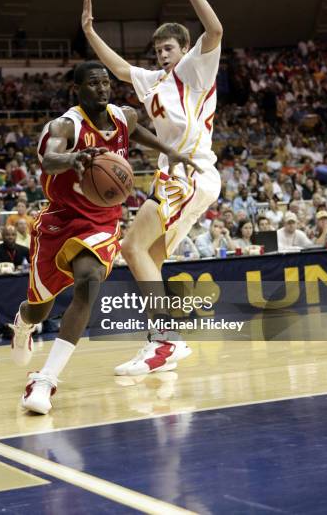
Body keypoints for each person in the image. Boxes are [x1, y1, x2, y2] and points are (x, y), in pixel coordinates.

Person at [11, 61, 195, 414]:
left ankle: (45, 379)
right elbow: (49, 161)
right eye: (93, 84)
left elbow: (137, 132)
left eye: (105, 82)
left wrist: (168, 151)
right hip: (60, 220)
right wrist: (73, 158)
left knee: (89, 281)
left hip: (100, 220)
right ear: (78, 90)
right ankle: (23, 323)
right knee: (38, 309)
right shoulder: (66, 124)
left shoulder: (124, 116)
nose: (102, 88)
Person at [81, 0, 223, 375]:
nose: (163, 54)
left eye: (169, 47)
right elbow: (122, 69)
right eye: (159, 48)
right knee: (150, 258)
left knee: (129, 246)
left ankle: (166, 340)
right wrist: (89, 32)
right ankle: (162, 342)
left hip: (189, 172)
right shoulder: (154, 81)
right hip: (180, 175)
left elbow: (215, 30)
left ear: (183, 49)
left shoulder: (194, 71)